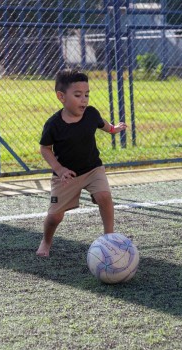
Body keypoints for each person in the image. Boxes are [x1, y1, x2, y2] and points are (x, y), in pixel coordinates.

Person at [36, 69, 127, 257]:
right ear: (61, 96)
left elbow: (102, 123)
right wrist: (60, 169)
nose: (84, 100)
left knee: (104, 196)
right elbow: (45, 148)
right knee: (54, 217)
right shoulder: (53, 124)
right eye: (78, 95)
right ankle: (46, 242)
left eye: (86, 95)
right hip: (67, 177)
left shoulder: (91, 113)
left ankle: (108, 236)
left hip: (93, 169)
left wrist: (113, 129)